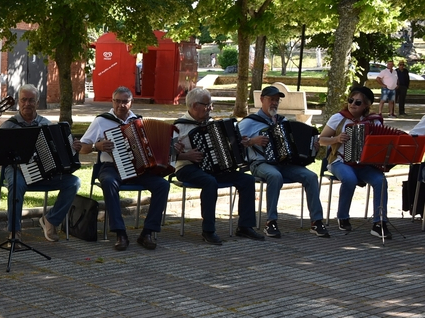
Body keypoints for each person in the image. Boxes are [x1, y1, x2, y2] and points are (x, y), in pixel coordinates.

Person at [79, 86, 170, 251]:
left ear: (131, 103)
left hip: (139, 169)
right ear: (112, 102)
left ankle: (147, 232)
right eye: (117, 101)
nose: (121, 105)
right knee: (108, 182)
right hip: (111, 167)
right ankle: (120, 232)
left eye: (125, 102)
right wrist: (96, 146)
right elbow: (82, 148)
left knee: (163, 185)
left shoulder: (139, 121)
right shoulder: (101, 121)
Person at [173, 87, 265, 245]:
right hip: (187, 168)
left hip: (214, 168)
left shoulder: (212, 124)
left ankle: (245, 226)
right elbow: (168, 154)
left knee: (247, 180)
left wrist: (238, 143)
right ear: (195, 106)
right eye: (207, 105)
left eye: (211, 105)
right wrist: (186, 155)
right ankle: (208, 230)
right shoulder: (178, 127)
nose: (210, 109)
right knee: (210, 182)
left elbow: (226, 147)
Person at [238, 86, 330, 238]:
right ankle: (271, 222)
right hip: (260, 163)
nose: (274, 103)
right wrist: (252, 141)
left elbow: (295, 144)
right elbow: (232, 142)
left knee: (311, 176)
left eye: (277, 100)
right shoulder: (249, 122)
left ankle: (316, 221)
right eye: (271, 99)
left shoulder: (283, 121)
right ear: (262, 100)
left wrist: (311, 146)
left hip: (285, 164)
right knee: (275, 176)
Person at [0, 84, 81, 246]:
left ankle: (50, 220)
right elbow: (2, 156)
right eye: (24, 100)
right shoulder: (9, 126)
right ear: (18, 102)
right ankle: (14, 232)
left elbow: (60, 152)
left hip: (45, 172)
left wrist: (72, 148)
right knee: (16, 184)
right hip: (17, 170)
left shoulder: (47, 124)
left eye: (31, 100)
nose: (27, 104)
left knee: (74, 182)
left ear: (37, 102)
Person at [318, 85, 390, 238]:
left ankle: (379, 223)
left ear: (366, 106)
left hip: (364, 164)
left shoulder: (374, 122)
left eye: (358, 102)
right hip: (339, 161)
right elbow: (321, 140)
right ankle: (343, 217)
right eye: (351, 100)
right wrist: (336, 139)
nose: (352, 104)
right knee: (349, 179)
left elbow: (382, 145)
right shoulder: (339, 118)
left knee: (380, 181)